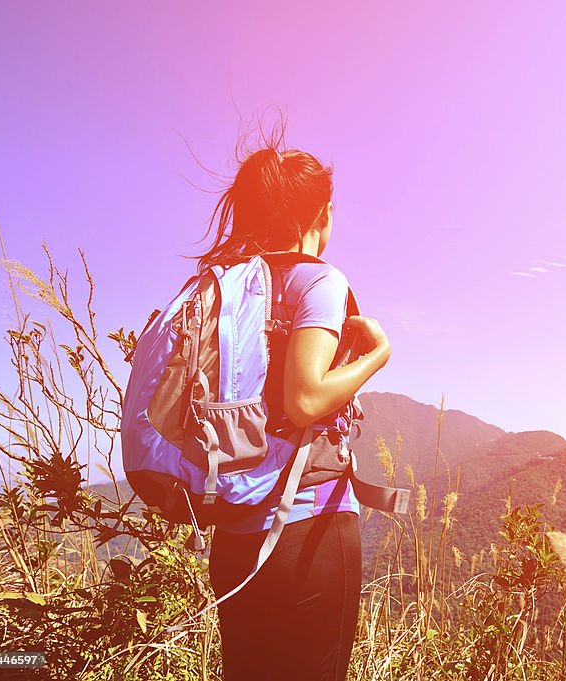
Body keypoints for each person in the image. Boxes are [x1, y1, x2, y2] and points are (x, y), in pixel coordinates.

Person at [192, 136, 391, 680]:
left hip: (234, 536)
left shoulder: (228, 289)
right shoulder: (318, 279)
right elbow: (302, 401)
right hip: (308, 532)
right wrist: (378, 355)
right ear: (320, 215)